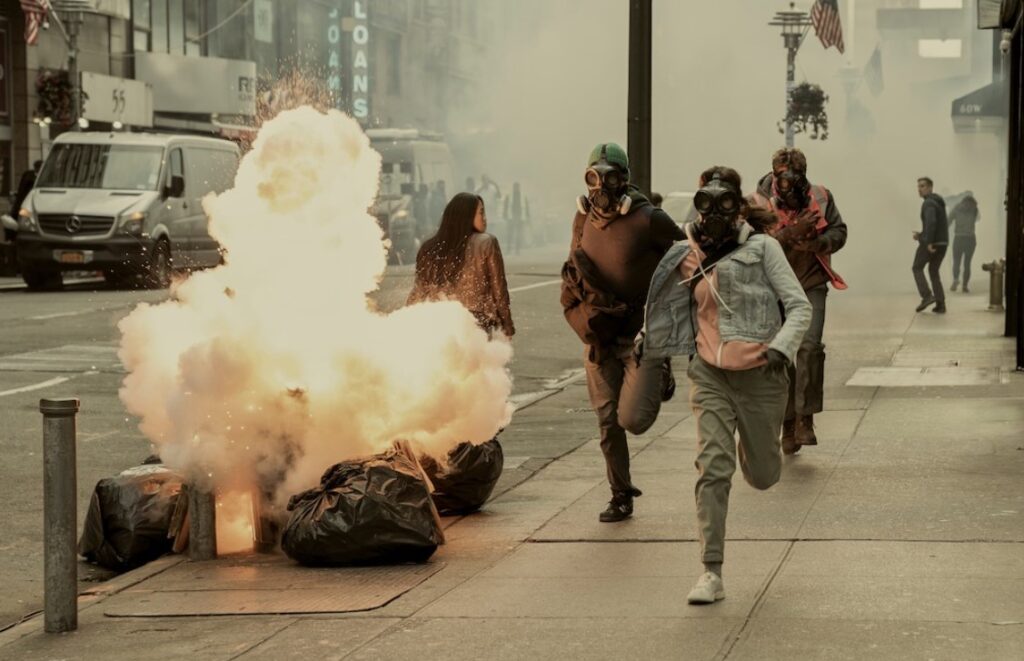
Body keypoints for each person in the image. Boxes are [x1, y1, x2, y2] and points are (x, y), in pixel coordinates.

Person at [638, 166, 811, 605]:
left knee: (765, 475)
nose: (714, 211)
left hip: (761, 377)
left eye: (725, 202)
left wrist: (781, 348)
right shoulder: (687, 250)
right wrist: (647, 339)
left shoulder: (764, 247)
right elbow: (670, 307)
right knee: (712, 469)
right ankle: (710, 572)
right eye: (706, 201)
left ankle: (752, 447)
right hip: (710, 374)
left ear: (739, 206)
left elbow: (799, 306)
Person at [560, 142, 684, 523]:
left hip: (638, 337)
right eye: (593, 178)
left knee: (633, 420)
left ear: (625, 181)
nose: (602, 190)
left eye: (610, 178)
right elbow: (575, 270)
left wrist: (665, 315)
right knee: (607, 420)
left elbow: (686, 259)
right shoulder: (581, 221)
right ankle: (620, 494)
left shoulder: (650, 219)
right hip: (599, 337)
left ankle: (659, 372)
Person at [750, 148, 847, 454]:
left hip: (811, 281)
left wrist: (820, 242)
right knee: (781, 354)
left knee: (810, 347)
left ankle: (806, 417)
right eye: (785, 178)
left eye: (798, 177)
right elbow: (749, 245)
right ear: (775, 177)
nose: (792, 185)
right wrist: (790, 233)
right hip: (773, 287)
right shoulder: (756, 204)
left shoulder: (821, 196)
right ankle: (787, 421)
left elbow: (839, 231)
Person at [408, 192, 515, 337]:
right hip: (477, 322)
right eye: (481, 213)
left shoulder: (429, 247)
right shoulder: (487, 242)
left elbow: (418, 291)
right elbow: (499, 290)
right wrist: (507, 324)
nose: (485, 218)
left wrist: (407, 320)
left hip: (438, 322)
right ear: (467, 216)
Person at [913, 177, 949, 314]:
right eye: (918, 186)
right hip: (943, 243)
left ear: (930, 187)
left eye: (922, 186)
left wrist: (927, 242)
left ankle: (927, 296)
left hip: (932, 243)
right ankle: (940, 304)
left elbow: (932, 222)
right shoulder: (938, 202)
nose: (919, 189)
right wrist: (921, 235)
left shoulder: (928, 203)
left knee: (917, 267)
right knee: (933, 271)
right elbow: (935, 224)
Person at [948, 191, 979, 293]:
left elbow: (948, 220)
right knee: (967, 263)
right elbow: (978, 218)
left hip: (959, 238)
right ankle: (965, 285)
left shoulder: (957, 207)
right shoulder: (974, 209)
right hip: (970, 239)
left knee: (956, 261)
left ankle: (955, 279)